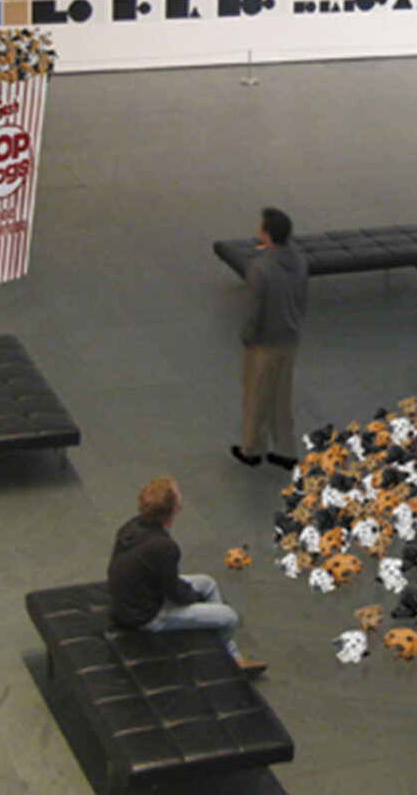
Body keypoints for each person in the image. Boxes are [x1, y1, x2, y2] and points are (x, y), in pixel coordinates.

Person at [106, 475, 265, 674]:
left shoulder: (133, 525)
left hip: (133, 598)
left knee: (208, 583)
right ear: (172, 508)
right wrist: (193, 598)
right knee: (230, 617)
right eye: (177, 492)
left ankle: (230, 651)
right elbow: (174, 592)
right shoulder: (165, 546)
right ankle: (223, 656)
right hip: (147, 615)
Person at [232, 207, 308, 469]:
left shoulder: (260, 269)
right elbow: (302, 299)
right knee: (281, 396)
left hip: (264, 343)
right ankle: (286, 451)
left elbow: (253, 311)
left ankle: (252, 449)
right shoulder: (298, 259)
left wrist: (247, 337)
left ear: (267, 234)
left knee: (257, 395)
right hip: (290, 337)